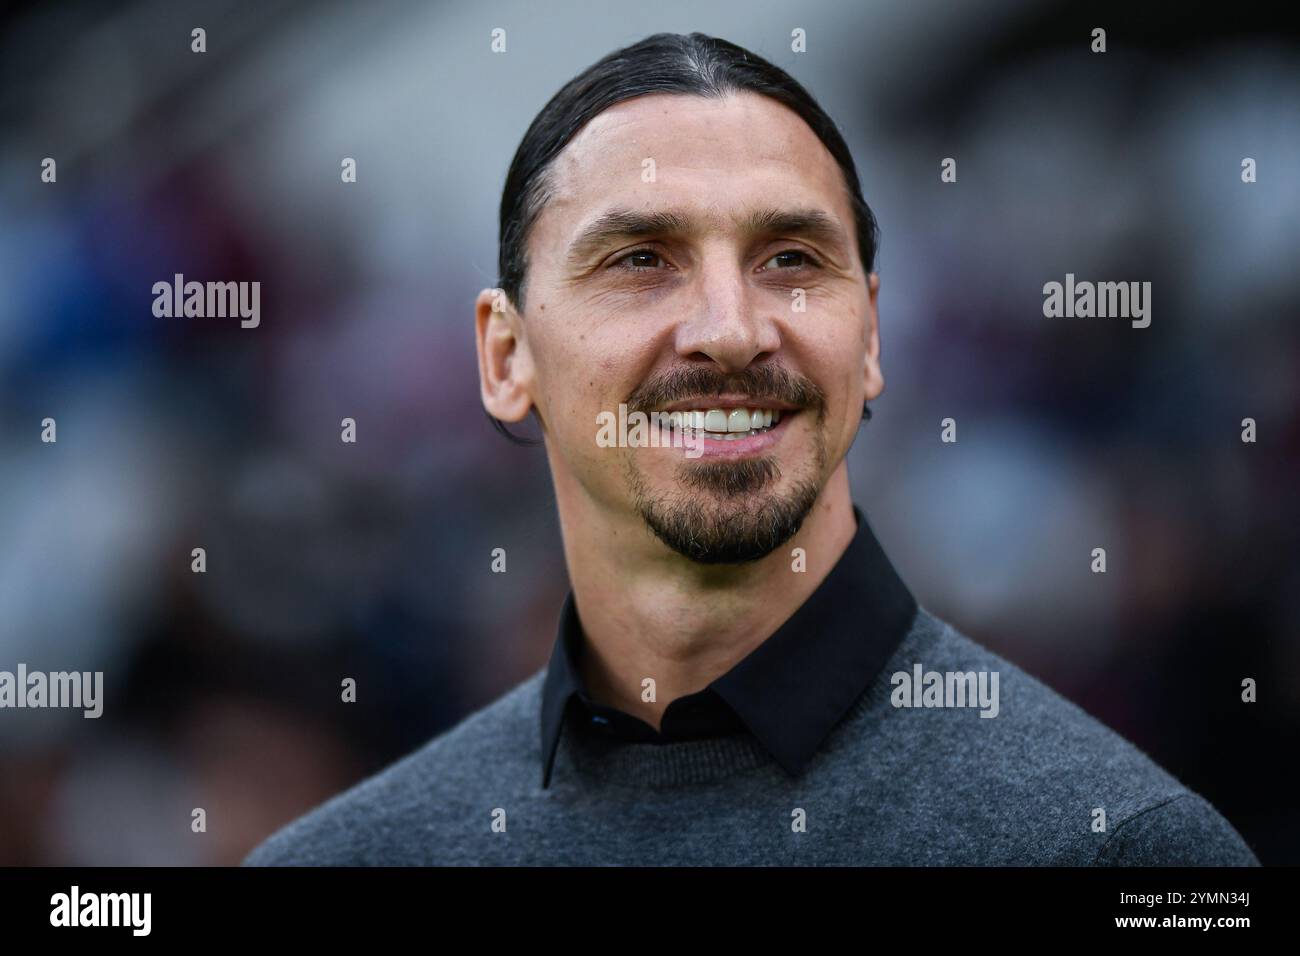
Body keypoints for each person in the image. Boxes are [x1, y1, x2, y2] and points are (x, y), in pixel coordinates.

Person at [243, 32, 1258, 866]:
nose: (730, 328)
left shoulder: (1126, 855)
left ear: (869, 339)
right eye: (641, 259)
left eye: (790, 259)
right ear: (506, 355)